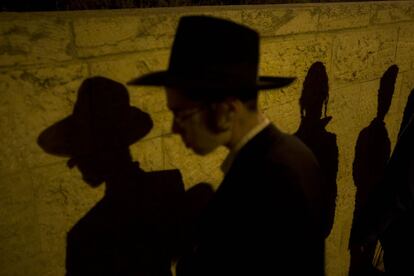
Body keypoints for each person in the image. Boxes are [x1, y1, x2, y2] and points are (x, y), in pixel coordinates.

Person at [128, 16, 325, 275]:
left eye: (181, 113)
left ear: (226, 111)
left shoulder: (268, 177)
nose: (174, 128)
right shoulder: (291, 152)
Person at [37, 76, 187, 275]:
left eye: (81, 154)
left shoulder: (86, 235)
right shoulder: (167, 188)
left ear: (97, 155)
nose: (79, 165)